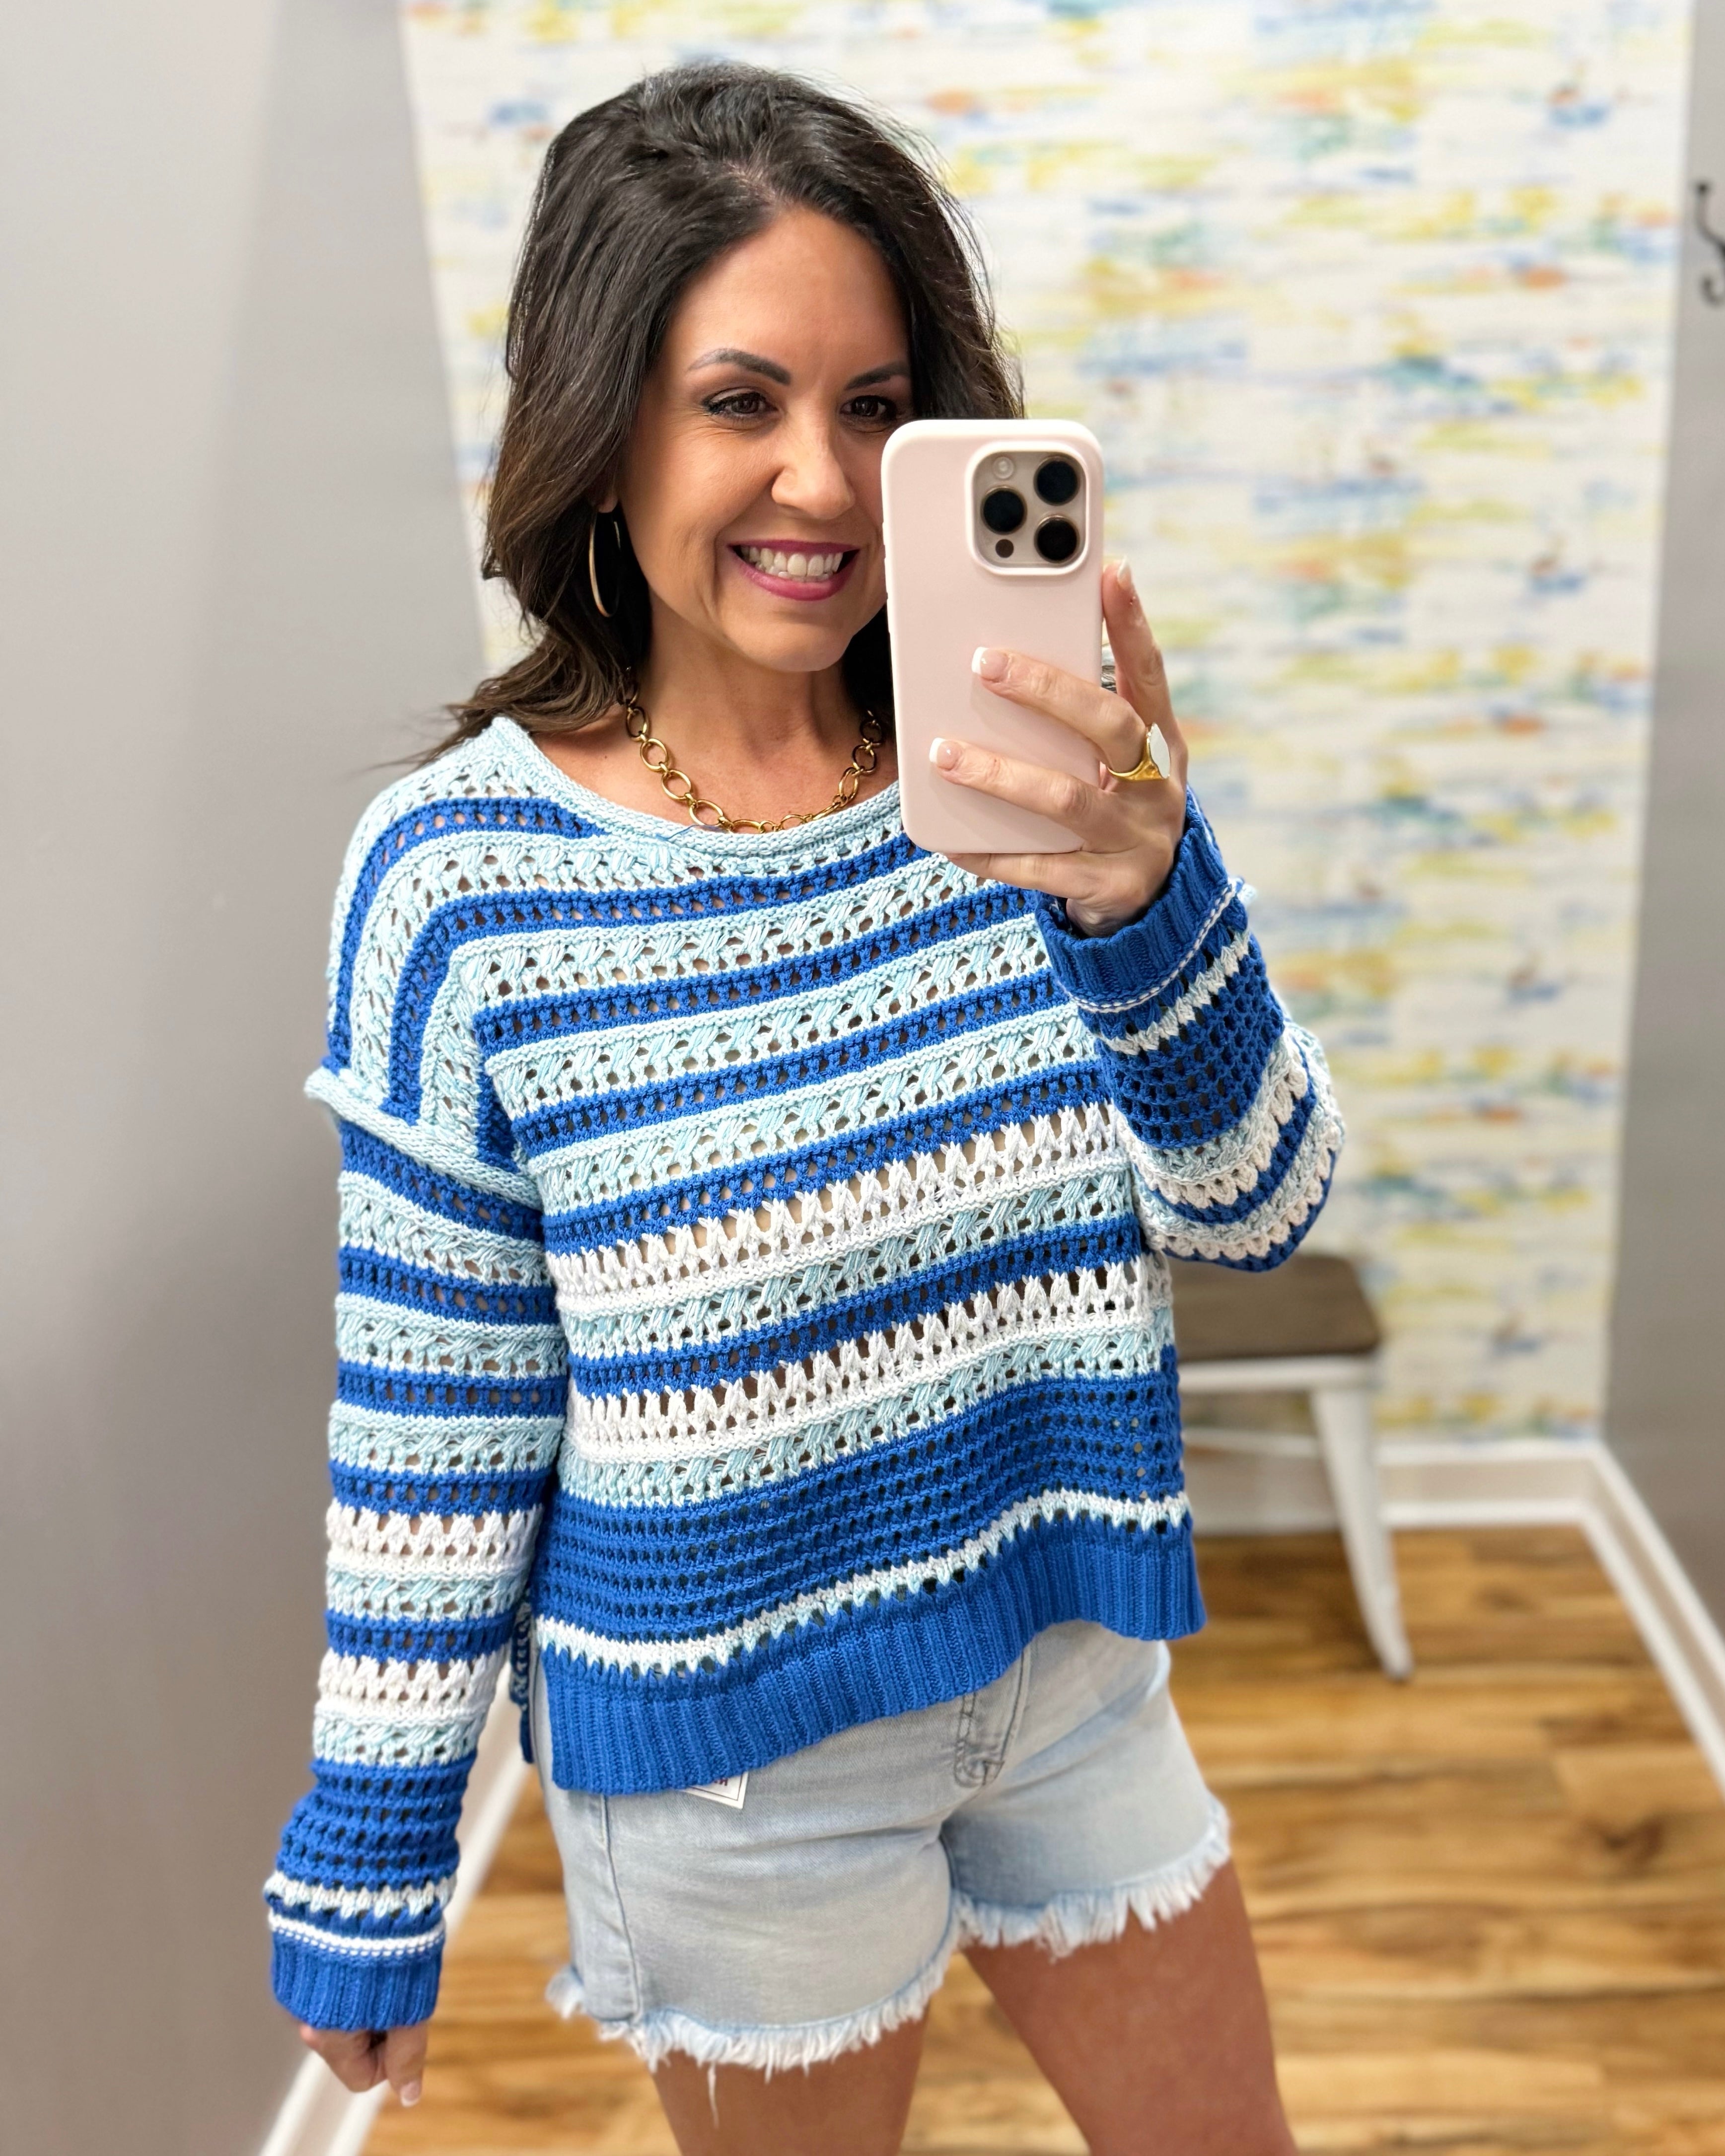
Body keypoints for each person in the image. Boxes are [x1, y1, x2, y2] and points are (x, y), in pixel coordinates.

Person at [267, 61, 1341, 2156]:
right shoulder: (456, 884)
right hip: (733, 1775)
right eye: (738, 399)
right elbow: (438, 1427)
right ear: (601, 425)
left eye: (873, 409)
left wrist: (1146, 899)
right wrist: (372, 1860)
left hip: (1069, 1674)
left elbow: (1258, 1206)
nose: (822, 485)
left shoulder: (1028, 785)